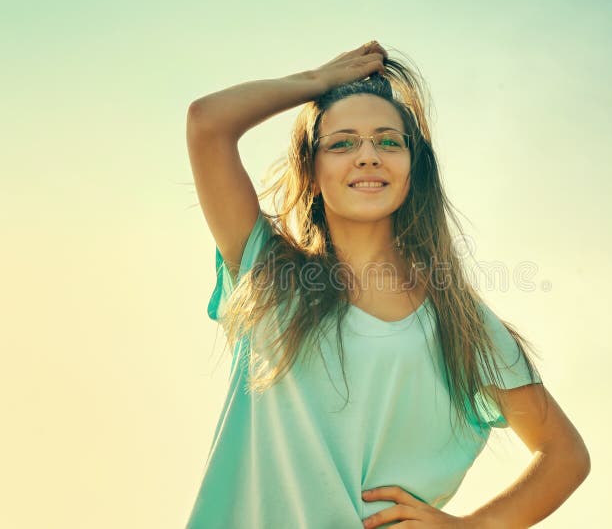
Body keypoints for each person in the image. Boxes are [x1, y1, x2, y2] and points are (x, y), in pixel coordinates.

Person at [184, 41, 590, 528]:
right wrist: (317, 81)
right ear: (311, 173)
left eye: (388, 141)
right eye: (342, 143)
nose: (368, 156)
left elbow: (564, 454)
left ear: (412, 168)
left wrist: (470, 527)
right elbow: (207, 123)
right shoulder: (270, 275)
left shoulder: (456, 318)